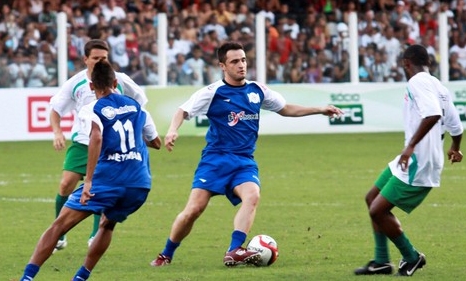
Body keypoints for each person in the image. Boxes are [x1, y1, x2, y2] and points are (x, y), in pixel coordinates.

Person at [150, 42, 344, 267]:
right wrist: (173, 130)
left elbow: (286, 108)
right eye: (234, 62)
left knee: (252, 196)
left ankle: (234, 250)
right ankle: (166, 254)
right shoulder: (213, 92)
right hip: (215, 160)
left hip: (244, 161)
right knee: (193, 210)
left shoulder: (257, 90)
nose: (241, 65)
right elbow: (182, 110)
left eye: (243, 60)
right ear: (223, 66)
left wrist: (320, 109)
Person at [20, 60, 161, 281]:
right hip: (139, 184)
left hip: (108, 181)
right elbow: (156, 142)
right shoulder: (137, 107)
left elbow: (96, 137)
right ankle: (81, 277)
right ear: (115, 82)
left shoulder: (91, 108)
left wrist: (88, 183)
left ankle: (26, 278)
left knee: (58, 226)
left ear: (92, 86)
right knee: (107, 224)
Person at [354, 44, 464, 277]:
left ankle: (412, 256)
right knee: (371, 197)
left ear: (406, 63)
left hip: (418, 162)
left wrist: (411, 146)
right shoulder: (439, 86)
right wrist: (455, 147)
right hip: (412, 158)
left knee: (377, 211)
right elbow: (455, 124)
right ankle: (382, 261)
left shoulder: (417, 82)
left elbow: (433, 114)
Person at [49, 39, 148, 252]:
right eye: (96, 58)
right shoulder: (75, 83)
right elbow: (56, 108)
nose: (100, 61)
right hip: (83, 142)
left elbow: (141, 101)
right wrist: (57, 132)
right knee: (66, 184)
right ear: (86, 59)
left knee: (98, 187)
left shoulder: (119, 80)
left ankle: (95, 234)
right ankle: (60, 232)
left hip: (110, 145)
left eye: (104, 58)